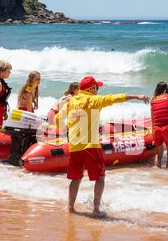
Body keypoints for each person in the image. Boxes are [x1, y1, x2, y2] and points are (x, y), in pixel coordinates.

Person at [56, 76, 149, 218]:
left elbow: (57, 120)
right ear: (92, 89)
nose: (97, 91)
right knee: (100, 177)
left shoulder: (70, 102)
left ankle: (70, 207)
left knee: (76, 178)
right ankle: (96, 209)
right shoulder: (93, 100)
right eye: (96, 88)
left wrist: (70, 127)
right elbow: (114, 98)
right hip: (90, 146)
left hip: (74, 146)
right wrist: (137, 96)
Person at [150, 82, 168, 169]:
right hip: (167, 129)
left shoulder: (153, 100)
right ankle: (167, 179)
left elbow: (152, 120)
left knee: (158, 155)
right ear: (166, 89)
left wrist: (153, 132)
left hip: (156, 129)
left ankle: (158, 176)